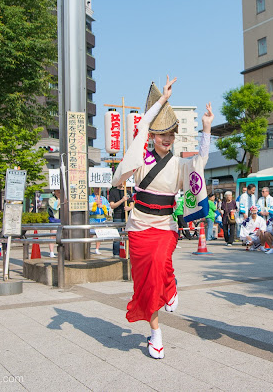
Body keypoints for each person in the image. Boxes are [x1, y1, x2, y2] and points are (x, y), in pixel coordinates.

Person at [111, 76, 214, 359]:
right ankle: (155, 332)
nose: (167, 139)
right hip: (139, 226)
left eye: (171, 134)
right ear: (153, 136)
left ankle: (169, 287)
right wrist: (162, 100)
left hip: (165, 226)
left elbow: (200, 164)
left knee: (158, 265)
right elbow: (142, 126)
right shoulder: (139, 159)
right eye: (162, 134)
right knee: (144, 282)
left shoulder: (180, 163)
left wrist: (206, 129)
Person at [109, 183, 133, 258]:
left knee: (128, 236)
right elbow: (112, 205)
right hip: (117, 216)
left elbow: (132, 204)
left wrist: (129, 208)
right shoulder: (113, 191)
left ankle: (128, 253)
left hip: (127, 216)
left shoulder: (128, 192)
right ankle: (116, 253)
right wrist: (122, 200)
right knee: (117, 236)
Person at [89, 187, 110, 255]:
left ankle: (97, 248)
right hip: (93, 218)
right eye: (95, 188)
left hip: (101, 218)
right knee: (91, 234)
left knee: (99, 234)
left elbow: (108, 206)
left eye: (98, 188)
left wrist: (103, 206)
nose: (97, 190)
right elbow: (88, 206)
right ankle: (88, 247)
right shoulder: (90, 198)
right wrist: (95, 204)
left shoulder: (103, 198)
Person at [47, 189, 60, 258]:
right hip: (54, 220)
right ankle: (51, 252)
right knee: (53, 236)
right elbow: (55, 207)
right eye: (57, 191)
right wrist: (59, 199)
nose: (59, 193)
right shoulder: (51, 199)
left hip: (63, 219)